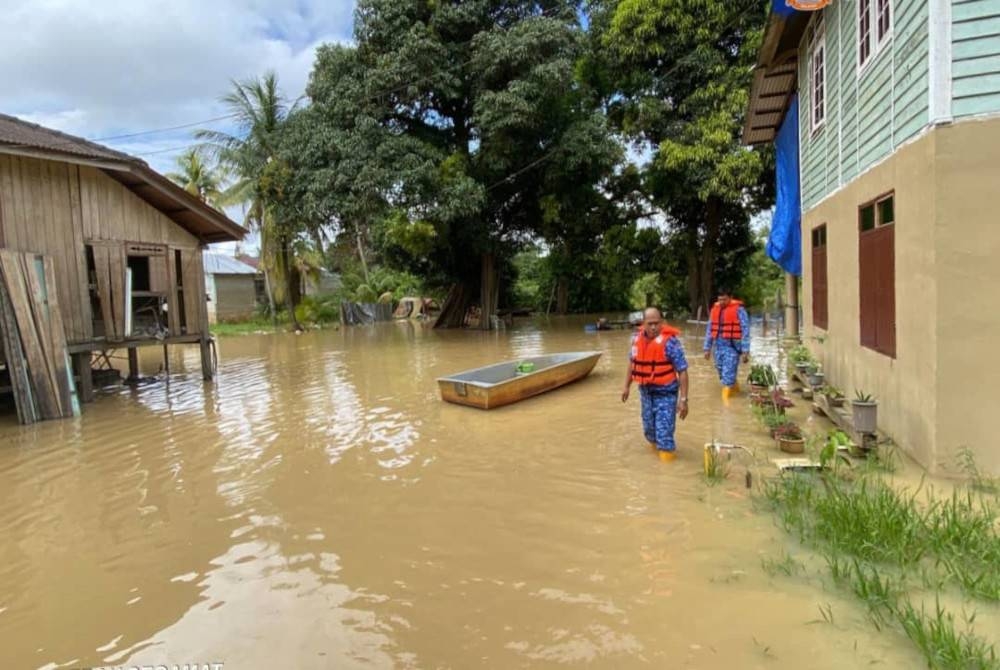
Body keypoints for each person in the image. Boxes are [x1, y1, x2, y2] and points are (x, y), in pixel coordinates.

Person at [621, 307, 690, 462]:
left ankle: (667, 475)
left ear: (662, 322)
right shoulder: (637, 340)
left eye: (657, 323)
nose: (653, 327)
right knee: (649, 433)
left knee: (664, 436)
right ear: (643, 323)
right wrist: (626, 386)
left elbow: (683, 371)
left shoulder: (670, 343)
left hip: (666, 394)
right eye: (650, 323)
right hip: (646, 393)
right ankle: (655, 461)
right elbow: (632, 363)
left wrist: (683, 400)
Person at [703, 288, 750, 400]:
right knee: (721, 371)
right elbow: (710, 329)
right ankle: (737, 391)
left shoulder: (739, 310)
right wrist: (707, 348)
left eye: (724, 300)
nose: (722, 302)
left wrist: (745, 350)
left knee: (727, 375)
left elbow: (745, 330)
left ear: (730, 297)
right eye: (720, 300)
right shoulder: (715, 309)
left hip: (732, 347)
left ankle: (726, 406)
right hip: (718, 347)